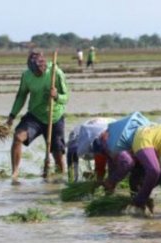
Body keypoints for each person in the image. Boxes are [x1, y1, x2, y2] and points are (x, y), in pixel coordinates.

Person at [7, 50, 70, 182]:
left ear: (45, 65)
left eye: (41, 69)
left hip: (54, 117)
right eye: (36, 71)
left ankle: (61, 178)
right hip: (35, 116)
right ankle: (15, 173)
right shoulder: (26, 76)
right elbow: (21, 96)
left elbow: (66, 97)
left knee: (58, 154)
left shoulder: (55, 73)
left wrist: (56, 96)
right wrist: (12, 116)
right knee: (18, 137)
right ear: (31, 68)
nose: (39, 72)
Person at [66, 117, 115, 182]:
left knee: (110, 163)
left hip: (105, 133)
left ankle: (104, 179)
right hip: (92, 137)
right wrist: (72, 178)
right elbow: (71, 160)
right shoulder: (76, 139)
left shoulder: (106, 134)